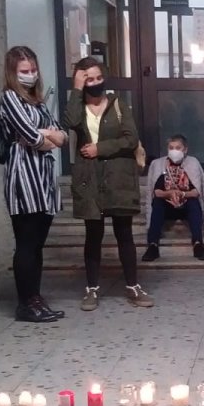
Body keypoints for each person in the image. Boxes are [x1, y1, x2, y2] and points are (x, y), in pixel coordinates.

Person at [63, 57, 154, 310]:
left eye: (97, 78)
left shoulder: (118, 104)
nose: (94, 83)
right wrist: (76, 89)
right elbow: (69, 122)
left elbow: (131, 139)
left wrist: (99, 148)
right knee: (93, 235)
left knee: (124, 233)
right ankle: (91, 289)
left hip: (118, 179)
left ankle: (133, 286)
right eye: (88, 79)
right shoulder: (78, 106)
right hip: (89, 180)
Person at [0, 45, 66, 323]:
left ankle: (35, 298)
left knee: (37, 245)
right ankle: (25, 303)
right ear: (13, 73)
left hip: (44, 181)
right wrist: (45, 136)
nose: (31, 75)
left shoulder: (37, 101)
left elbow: (62, 137)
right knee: (25, 244)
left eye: (34, 70)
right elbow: (32, 137)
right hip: (23, 178)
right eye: (24, 71)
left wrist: (47, 135)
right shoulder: (10, 98)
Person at [143, 135, 204, 262]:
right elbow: (156, 192)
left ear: (185, 150)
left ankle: (198, 244)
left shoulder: (192, 163)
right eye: (171, 148)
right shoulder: (158, 164)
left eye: (178, 148)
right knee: (157, 203)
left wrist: (182, 194)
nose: (174, 151)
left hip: (185, 205)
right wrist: (169, 193)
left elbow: (197, 191)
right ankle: (152, 245)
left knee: (194, 203)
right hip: (167, 205)